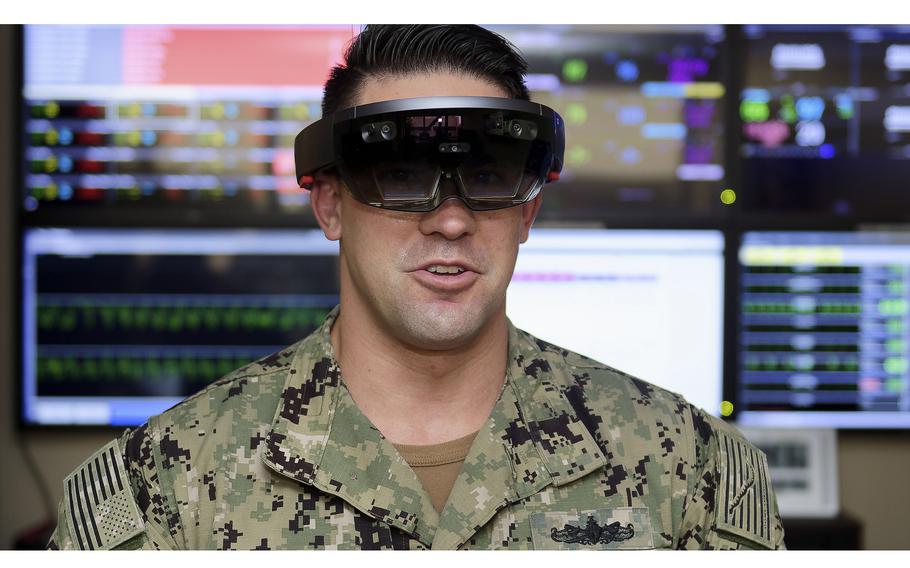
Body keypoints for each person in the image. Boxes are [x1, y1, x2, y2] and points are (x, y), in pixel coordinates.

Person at [48, 24, 785, 551]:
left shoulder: (689, 469)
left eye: (489, 177)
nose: (453, 220)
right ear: (330, 205)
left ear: (528, 209)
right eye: (401, 175)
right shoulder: (168, 489)